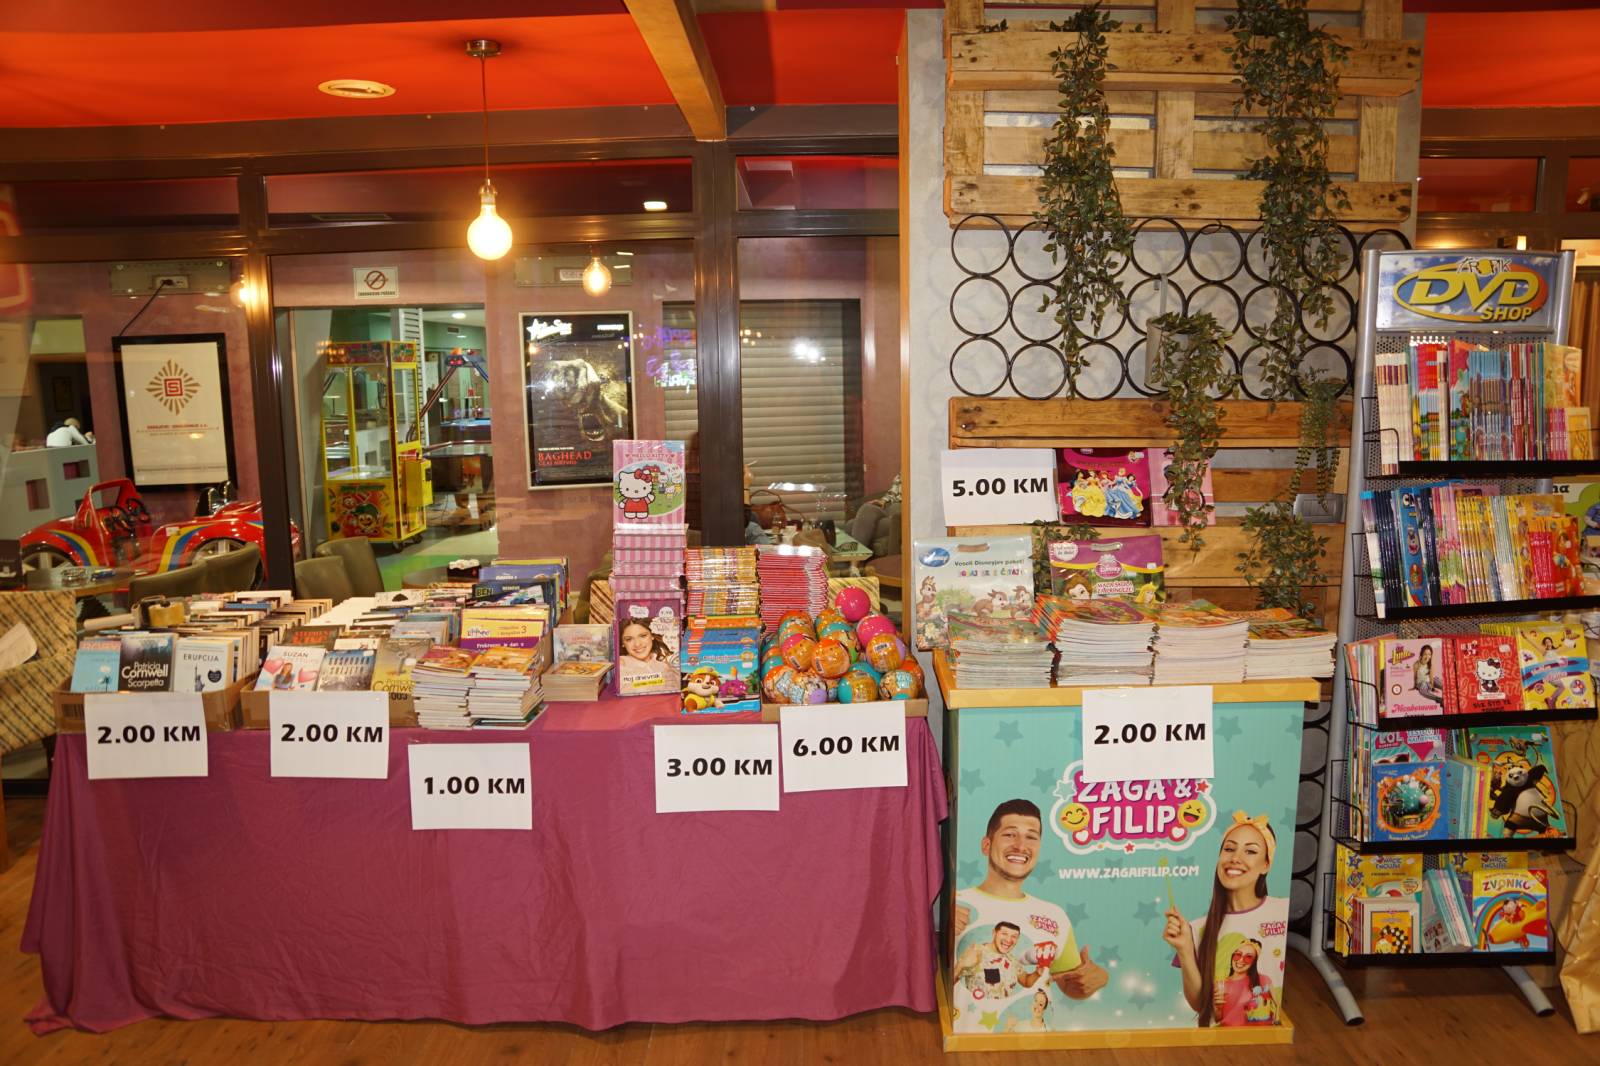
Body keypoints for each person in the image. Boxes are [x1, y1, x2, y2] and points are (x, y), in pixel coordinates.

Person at [951, 799, 1109, 1033]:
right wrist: (933, 930)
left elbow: (1071, 985)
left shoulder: (1053, 915)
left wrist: (1096, 979)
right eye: (1010, 835)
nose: (1021, 846)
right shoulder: (953, 904)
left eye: (1031, 837)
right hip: (964, 1046)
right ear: (986, 845)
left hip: (1034, 1046)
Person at [1162, 812, 1289, 1028]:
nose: (1235, 858)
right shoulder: (1196, 928)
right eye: (1229, 849)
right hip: (1219, 1042)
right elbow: (1199, 1005)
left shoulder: (1282, 910)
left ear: (1266, 864)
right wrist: (1184, 949)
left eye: (1250, 851)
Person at [616, 617, 677, 694]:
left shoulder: (664, 665)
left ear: (652, 635)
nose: (637, 644)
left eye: (643, 636)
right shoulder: (621, 664)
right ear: (622, 643)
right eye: (629, 639)